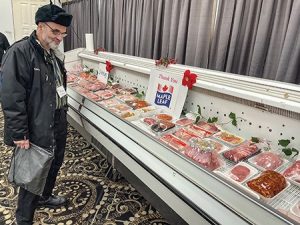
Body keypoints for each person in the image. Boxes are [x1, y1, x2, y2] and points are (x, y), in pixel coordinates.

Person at [0, 2, 72, 225]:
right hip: (36, 124)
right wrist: (19, 132)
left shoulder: (52, 53)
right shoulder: (20, 52)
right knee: (33, 173)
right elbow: (12, 96)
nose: (60, 37)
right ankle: (24, 218)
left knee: (54, 162)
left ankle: (45, 196)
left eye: (63, 33)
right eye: (55, 31)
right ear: (40, 26)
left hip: (57, 119)